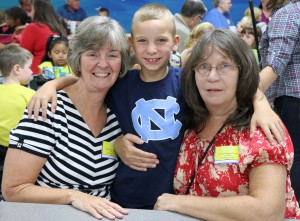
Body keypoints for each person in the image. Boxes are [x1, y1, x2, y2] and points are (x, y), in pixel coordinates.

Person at [27, 3, 285, 210]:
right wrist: (52, 85)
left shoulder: (187, 81)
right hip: (123, 199)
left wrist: (260, 104)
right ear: (131, 43)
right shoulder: (120, 82)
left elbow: (231, 87)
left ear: (175, 42)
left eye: (161, 41)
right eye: (143, 42)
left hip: (174, 199)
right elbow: (87, 79)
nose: (152, 50)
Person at [154, 28, 300, 220]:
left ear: (242, 72)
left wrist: (178, 202)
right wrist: (120, 144)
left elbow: (268, 211)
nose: (212, 76)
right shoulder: (188, 120)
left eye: (224, 66)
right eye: (204, 66)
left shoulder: (262, 129)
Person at [1, 16, 130, 220]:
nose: (103, 64)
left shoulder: (118, 114)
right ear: (77, 59)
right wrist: (74, 196)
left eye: (112, 55)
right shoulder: (48, 108)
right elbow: (13, 189)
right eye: (92, 54)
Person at [259, 0, 300, 202]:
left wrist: (246, 93)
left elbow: (276, 63)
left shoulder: (286, 14)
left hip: (292, 100)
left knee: (294, 162)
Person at [0, 44, 35, 183]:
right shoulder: (31, 94)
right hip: (18, 151)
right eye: (30, 67)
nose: (32, 72)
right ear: (17, 69)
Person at [19, 0, 67, 75]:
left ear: (37, 11)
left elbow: (22, 54)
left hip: (37, 74)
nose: (29, 15)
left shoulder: (32, 28)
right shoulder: (59, 28)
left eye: (32, 10)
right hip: (60, 72)